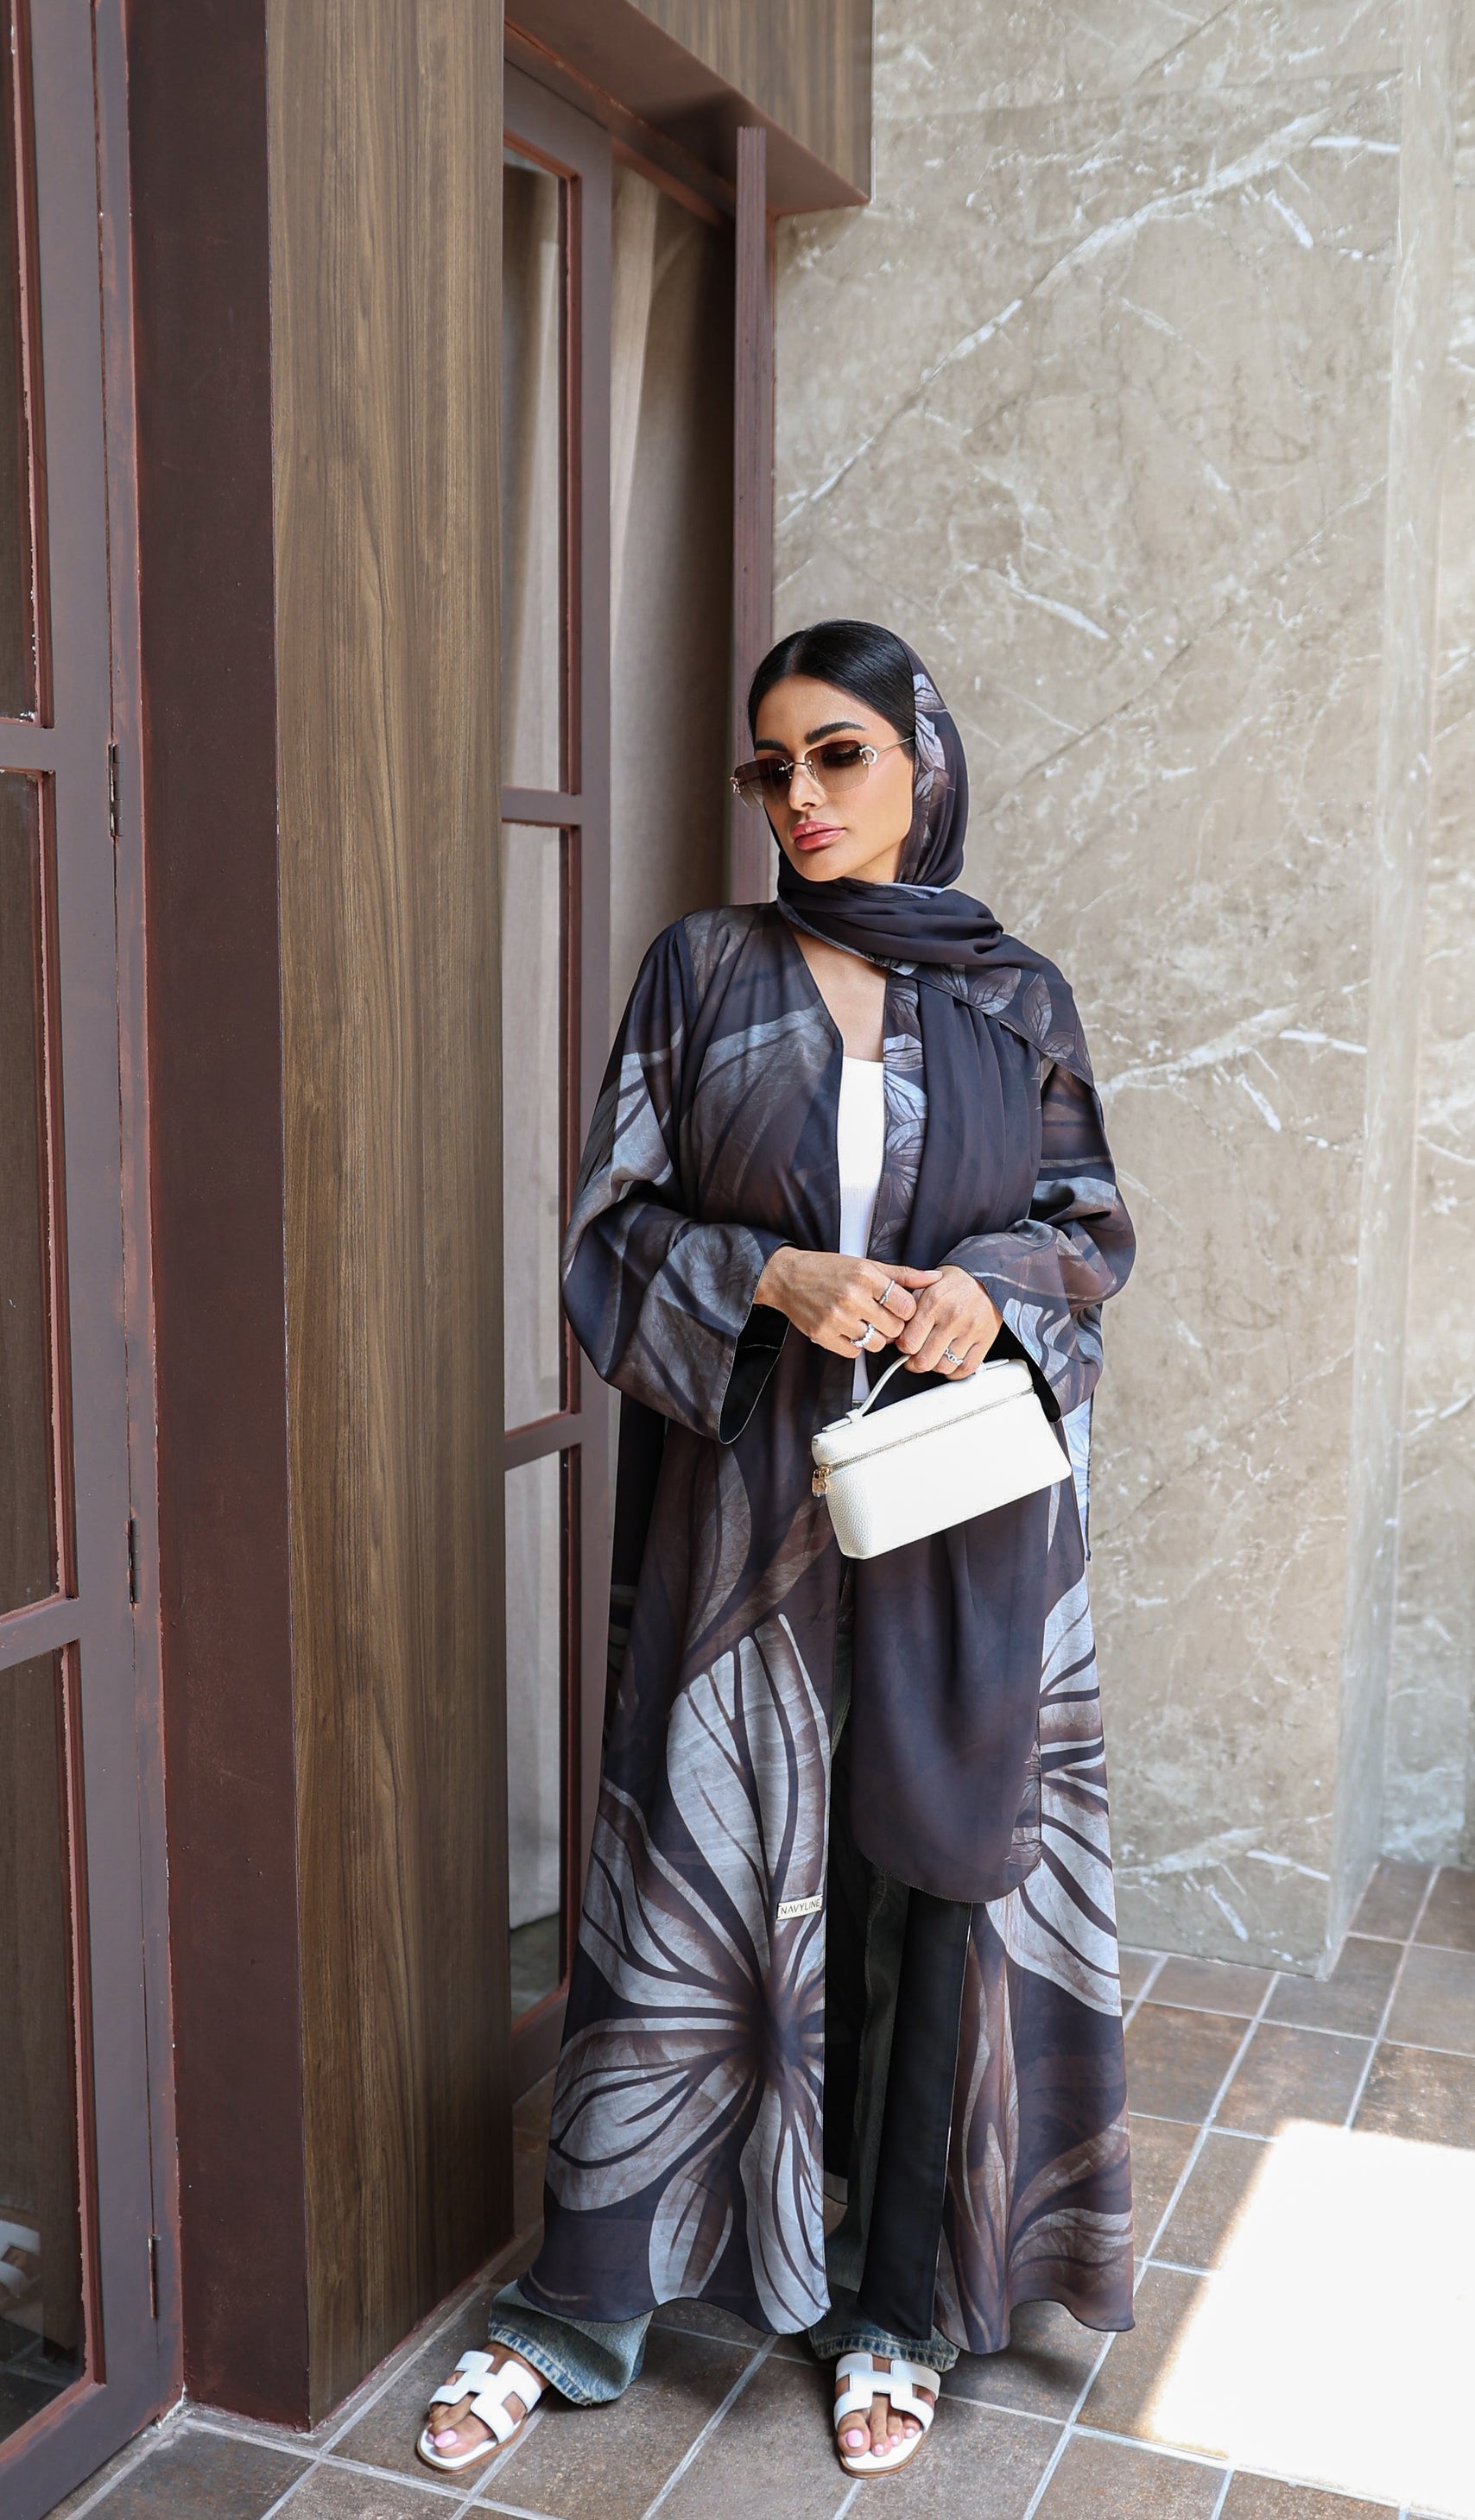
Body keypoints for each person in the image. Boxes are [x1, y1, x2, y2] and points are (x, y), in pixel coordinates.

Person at [420, 622, 1136, 2481]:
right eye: (772, 767)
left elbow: (1087, 1227)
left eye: (837, 754)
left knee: (926, 1885)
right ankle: (588, 2296)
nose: (799, 796)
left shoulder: (1016, 998)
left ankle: (893, 2303)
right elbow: (608, 1226)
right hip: (743, 1509)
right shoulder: (700, 973)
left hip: (955, 1516)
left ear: (920, 763)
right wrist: (768, 1275)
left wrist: (991, 1288)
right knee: (698, 1860)